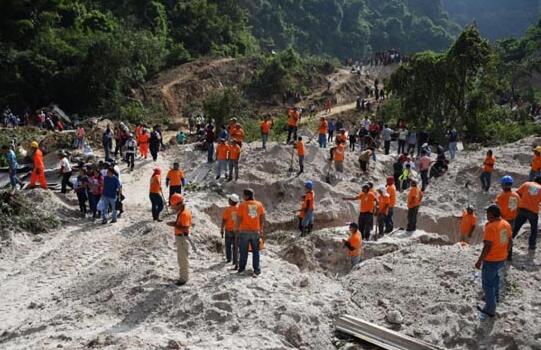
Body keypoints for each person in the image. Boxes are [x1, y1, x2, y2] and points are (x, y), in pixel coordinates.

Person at [475, 205, 512, 320]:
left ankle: (490, 309)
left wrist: (479, 260)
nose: (486, 215)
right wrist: (506, 254)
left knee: (487, 284)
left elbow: (487, 246)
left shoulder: (491, 227)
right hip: (501, 258)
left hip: (491, 260)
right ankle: (494, 299)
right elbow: (510, 241)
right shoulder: (506, 224)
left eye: (487, 213)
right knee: (495, 279)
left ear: (491, 214)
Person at [236, 188, 266, 276]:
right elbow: (262, 217)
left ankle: (241, 268)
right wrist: (261, 228)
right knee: (256, 252)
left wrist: (236, 228)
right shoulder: (258, 204)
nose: (242, 196)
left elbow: (239, 218)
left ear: (247, 196)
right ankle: (256, 269)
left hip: (244, 232)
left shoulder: (242, 205)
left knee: (243, 251)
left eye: (243, 195)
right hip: (255, 232)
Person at [509, 177, 541, 259]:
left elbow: (517, 194)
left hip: (522, 209)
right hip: (533, 212)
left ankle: (508, 242)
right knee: (533, 230)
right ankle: (531, 247)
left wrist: (514, 207)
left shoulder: (527, 184)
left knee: (516, 227)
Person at [167, 193, 192, 286]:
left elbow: (185, 229)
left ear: (179, 204)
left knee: (182, 259)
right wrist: (175, 223)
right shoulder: (183, 211)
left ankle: (183, 279)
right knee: (182, 258)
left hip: (182, 238)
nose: (173, 208)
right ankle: (184, 276)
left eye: (173, 206)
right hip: (181, 237)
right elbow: (181, 225)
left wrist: (174, 225)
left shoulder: (184, 214)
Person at [221, 194, 240, 267]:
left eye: (229, 199)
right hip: (237, 230)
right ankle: (235, 261)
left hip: (228, 230)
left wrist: (222, 229)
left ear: (231, 201)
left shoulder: (227, 209)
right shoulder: (239, 209)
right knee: (236, 246)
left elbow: (224, 220)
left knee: (228, 245)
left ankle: (229, 258)